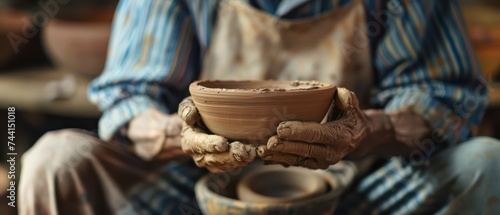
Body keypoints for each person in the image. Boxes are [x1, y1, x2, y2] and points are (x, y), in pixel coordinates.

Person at [19, 0, 500, 214]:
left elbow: (445, 97)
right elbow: (129, 99)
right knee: (54, 161)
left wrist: (365, 130)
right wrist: (176, 134)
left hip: (354, 194)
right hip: (198, 195)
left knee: (487, 165)